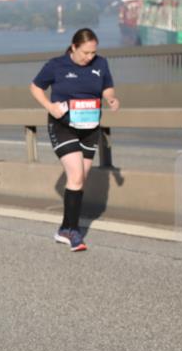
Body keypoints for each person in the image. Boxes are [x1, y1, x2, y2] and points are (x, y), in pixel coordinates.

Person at [30, 28, 119, 252]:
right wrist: (50, 106)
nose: (90, 57)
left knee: (80, 180)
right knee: (77, 175)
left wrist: (111, 98)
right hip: (63, 127)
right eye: (85, 53)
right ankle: (72, 231)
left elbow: (107, 87)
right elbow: (35, 87)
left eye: (93, 53)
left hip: (89, 128)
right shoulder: (56, 65)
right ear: (74, 47)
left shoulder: (101, 64)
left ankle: (64, 229)